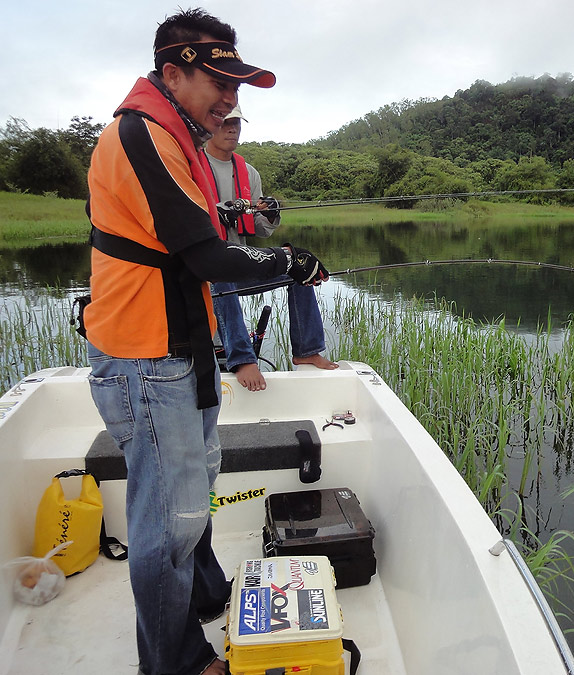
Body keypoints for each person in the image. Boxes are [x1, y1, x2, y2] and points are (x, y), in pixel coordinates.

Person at [82, 9, 327, 675]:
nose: (230, 98)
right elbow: (208, 256)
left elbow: (194, 228)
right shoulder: (140, 136)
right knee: (167, 524)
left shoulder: (177, 138)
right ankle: (176, 662)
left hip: (182, 350)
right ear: (172, 71)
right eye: (219, 80)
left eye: (237, 86)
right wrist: (290, 263)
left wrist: (247, 228)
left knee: (199, 484)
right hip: (145, 356)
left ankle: (206, 588)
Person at [201, 104, 337, 393]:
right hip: (204, 270)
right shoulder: (191, 165)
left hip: (242, 264)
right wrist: (215, 215)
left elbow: (261, 229)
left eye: (237, 123)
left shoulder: (248, 173)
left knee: (296, 263)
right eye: (225, 122)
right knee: (219, 272)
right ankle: (242, 359)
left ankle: (307, 349)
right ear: (210, 123)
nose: (232, 128)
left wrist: (272, 213)